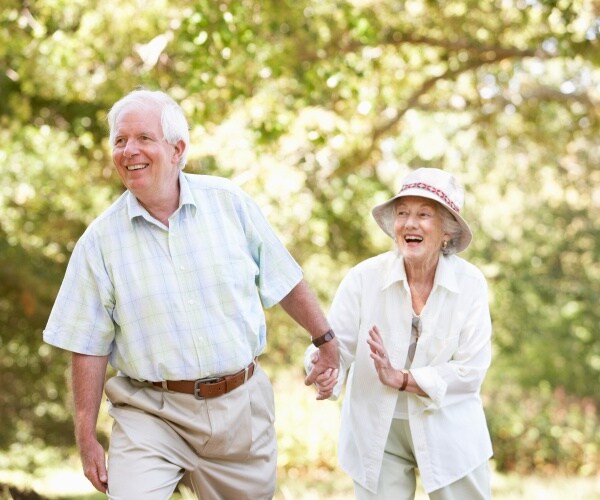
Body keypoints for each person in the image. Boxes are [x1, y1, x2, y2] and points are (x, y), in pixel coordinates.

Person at [43, 89, 339, 499]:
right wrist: (86, 435)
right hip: (152, 412)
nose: (129, 150)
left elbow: (282, 278)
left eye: (143, 138)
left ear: (177, 148)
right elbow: (87, 345)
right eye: (120, 140)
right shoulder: (99, 243)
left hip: (240, 410)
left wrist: (325, 339)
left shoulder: (229, 204)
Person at [306, 168, 493, 499]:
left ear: (447, 230)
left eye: (424, 214)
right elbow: (338, 347)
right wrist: (324, 370)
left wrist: (404, 379)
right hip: (377, 425)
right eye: (403, 213)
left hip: (449, 424)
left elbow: (471, 370)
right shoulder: (363, 278)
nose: (410, 223)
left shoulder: (470, 284)